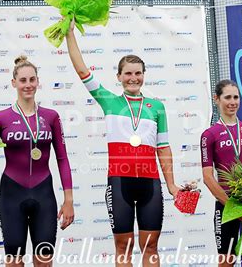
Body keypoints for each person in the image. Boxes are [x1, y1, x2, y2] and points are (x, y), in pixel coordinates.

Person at [66, 21, 180, 267]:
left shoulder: (157, 107)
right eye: (128, 73)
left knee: (150, 247)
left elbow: (164, 148)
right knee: (123, 248)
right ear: (119, 77)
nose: (133, 78)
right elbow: (82, 70)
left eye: (138, 73)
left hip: (150, 183)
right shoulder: (109, 101)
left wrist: (171, 185)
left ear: (143, 76)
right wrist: (69, 34)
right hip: (119, 183)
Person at [0, 56, 74, 267]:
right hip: (12, 195)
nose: (28, 85)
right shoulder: (0, 118)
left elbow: (62, 159)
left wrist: (69, 200)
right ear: (14, 83)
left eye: (32, 79)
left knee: (44, 261)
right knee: (13, 262)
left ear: (38, 81)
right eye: (23, 80)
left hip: (43, 195)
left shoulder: (51, 117)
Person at [201, 79, 242, 267]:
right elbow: (207, 176)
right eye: (227, 97)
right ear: (217, 99)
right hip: (226, 206)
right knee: (226, 262)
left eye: (236, 97)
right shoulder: (209, 134)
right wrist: (231, 206)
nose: (232, 102)